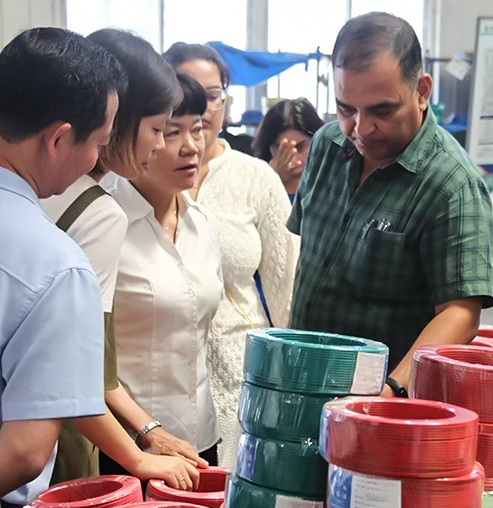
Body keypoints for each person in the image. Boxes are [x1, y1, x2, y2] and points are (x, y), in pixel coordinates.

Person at [0, 28, 125, 507]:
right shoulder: (57, 267)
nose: (95, 160)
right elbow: (22, 454)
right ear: (59, 138)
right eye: (99, 144)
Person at [287, 13, 493, 397]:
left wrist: (391, 391)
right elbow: (307, 261)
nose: (361, 129)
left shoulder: (451, 184)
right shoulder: (326, 146)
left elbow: (460, 314)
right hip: (303, 380)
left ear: (422, 91)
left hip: (383, 403)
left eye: (382, 111)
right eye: (346, 109)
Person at [40, 28, 202, 489]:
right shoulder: (99, 212)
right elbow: (87, 367)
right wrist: (142, 446)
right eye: (159, 129)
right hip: (57, 436)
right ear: (117, 117)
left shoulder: (38, 185)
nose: (160, 145)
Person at [163, 43, 299, 466]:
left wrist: (290, 383)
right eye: (187, 91)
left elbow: (288, 292)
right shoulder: (141, 176)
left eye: (213, 95)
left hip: (243, 372)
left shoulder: (256, 177)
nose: (203, 108)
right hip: (163, 378)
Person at [110, 72, 223, 471]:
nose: (191, 147)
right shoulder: (106, 223)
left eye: (198, 129)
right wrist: (148, 431)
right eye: (171, 132)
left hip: (200, 439)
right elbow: (84, 356)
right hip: (129, 445)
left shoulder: (202, 223)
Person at [253, 98, 325, 200]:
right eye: (280, 149)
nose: (292, 158)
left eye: (300, 147)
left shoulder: (332, 186)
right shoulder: (253, 186)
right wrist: (271, 180)